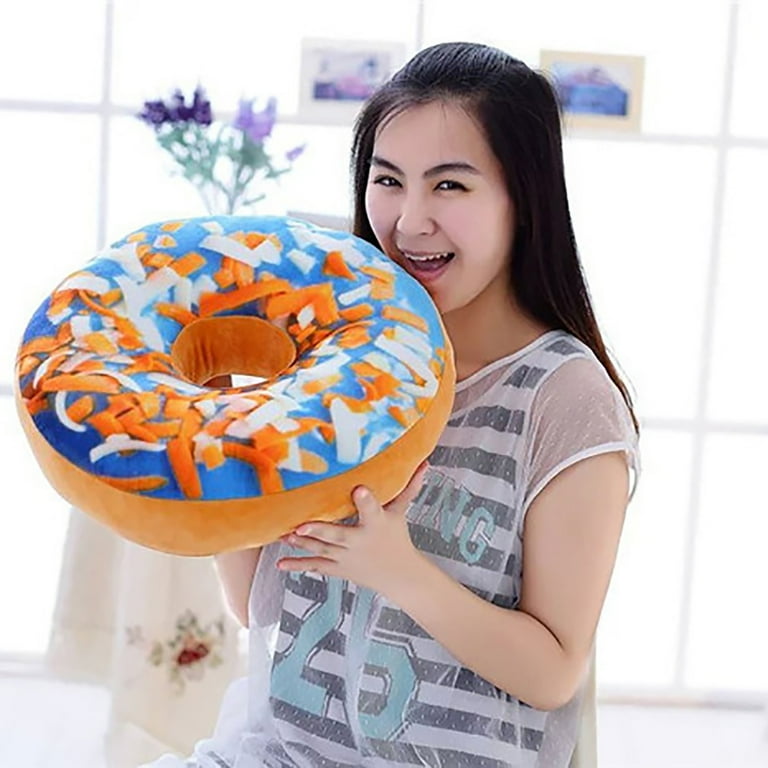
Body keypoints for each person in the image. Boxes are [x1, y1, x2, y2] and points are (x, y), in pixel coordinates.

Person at [144, 41, 640, 768]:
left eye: (450, 186)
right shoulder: (333, 358)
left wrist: (397, 569)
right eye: (388, 180)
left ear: (524, 200)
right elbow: (256, 600)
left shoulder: (566, 399)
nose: (408, 222)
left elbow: (553, 671)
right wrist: (219, 434)